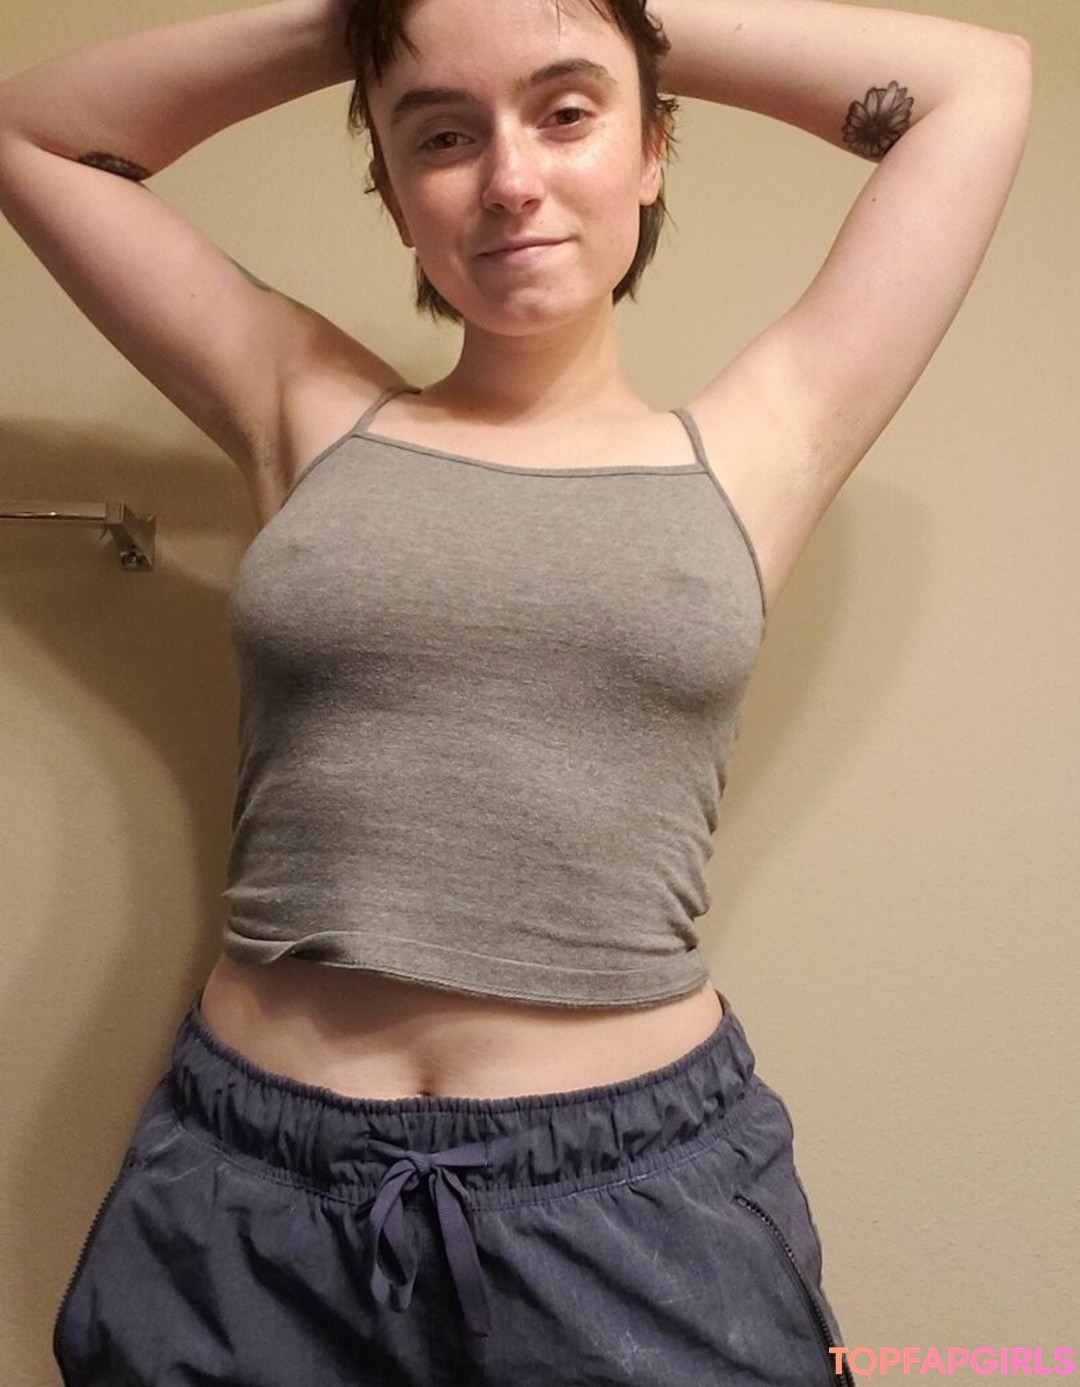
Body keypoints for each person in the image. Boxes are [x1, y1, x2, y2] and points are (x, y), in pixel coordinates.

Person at [0, 0, 1031, 1382]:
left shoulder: (761, 445)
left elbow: (979, 85)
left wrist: (595, 7)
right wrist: (380, 19)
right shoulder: (304, 404)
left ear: (653, 149)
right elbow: (31, 136)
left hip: (628, 1210)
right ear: (392, 190)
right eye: (441, 135)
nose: (509, 178)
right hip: (246, 1201)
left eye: (568, 114)